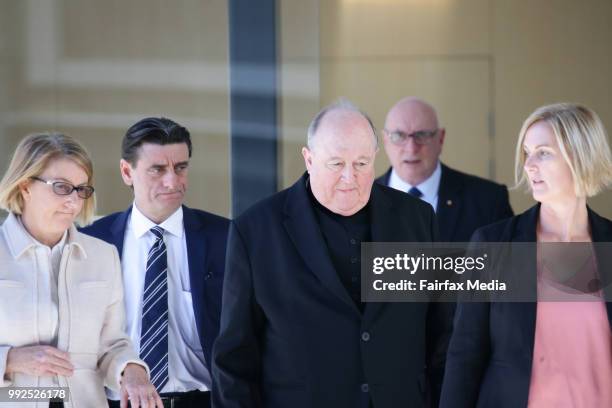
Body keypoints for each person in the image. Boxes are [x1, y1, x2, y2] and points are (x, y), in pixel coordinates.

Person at [212, 101, 452, 408]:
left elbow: (442, 337)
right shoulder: (256, 232)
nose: (349, 178)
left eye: (362, 164)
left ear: (375, 158)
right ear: (309, 159)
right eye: (336, 164)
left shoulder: (416, 219)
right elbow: (234, 362)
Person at [440, 103, 612, 407]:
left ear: (580, 156)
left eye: (543, 153)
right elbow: (465, 354)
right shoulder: (494, 245)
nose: (529, 165)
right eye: (526, 153)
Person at [0, 133, 161, 408]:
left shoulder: (102, 256)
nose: (74, 201)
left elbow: (112, 345)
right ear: (25, 185)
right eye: (61, 187)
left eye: (81, 189)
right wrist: (10, 360)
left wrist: (132, 371)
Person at [81, 118, 229, 408]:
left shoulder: (227, 239)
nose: (172, 181)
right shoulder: (90, 244)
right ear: (127, 172)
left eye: (180, 167)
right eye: (157, 169)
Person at [377, 97, 513, 242]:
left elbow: (513, 263)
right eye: (399, 136)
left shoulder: (489, 201)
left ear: (441, 139)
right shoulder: (358, 202)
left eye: (422, 135)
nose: (411, 149)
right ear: (385, 140)